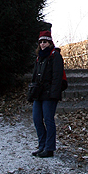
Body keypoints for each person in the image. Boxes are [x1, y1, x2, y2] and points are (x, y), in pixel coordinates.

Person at [31, 30, 64, 158]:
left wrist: (54, 94)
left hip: (49, 94)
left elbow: (57, 76)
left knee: (48, 119)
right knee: (37, 119)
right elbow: (35, 76)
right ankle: (42, 145)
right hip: (38, 93)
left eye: (45, 42)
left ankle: (49, 148)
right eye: (41, 42)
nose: (43, 44)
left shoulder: (55, 56)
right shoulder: (39, 57)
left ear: (50, 42)